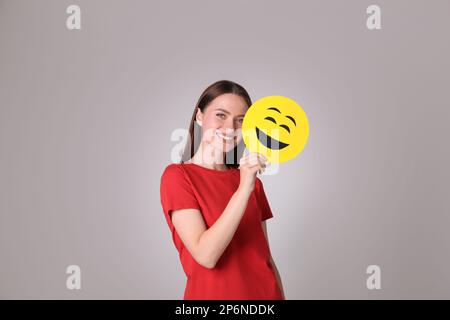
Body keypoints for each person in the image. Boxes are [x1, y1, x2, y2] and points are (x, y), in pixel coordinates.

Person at [160, 80, 285, 299]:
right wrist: (244, 188)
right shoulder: (177, 177)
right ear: (199, 116)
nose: (230, 128)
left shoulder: (253, 182)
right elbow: (206, 255)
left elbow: (266, 258)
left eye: (241, 120)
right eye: (221, 115)